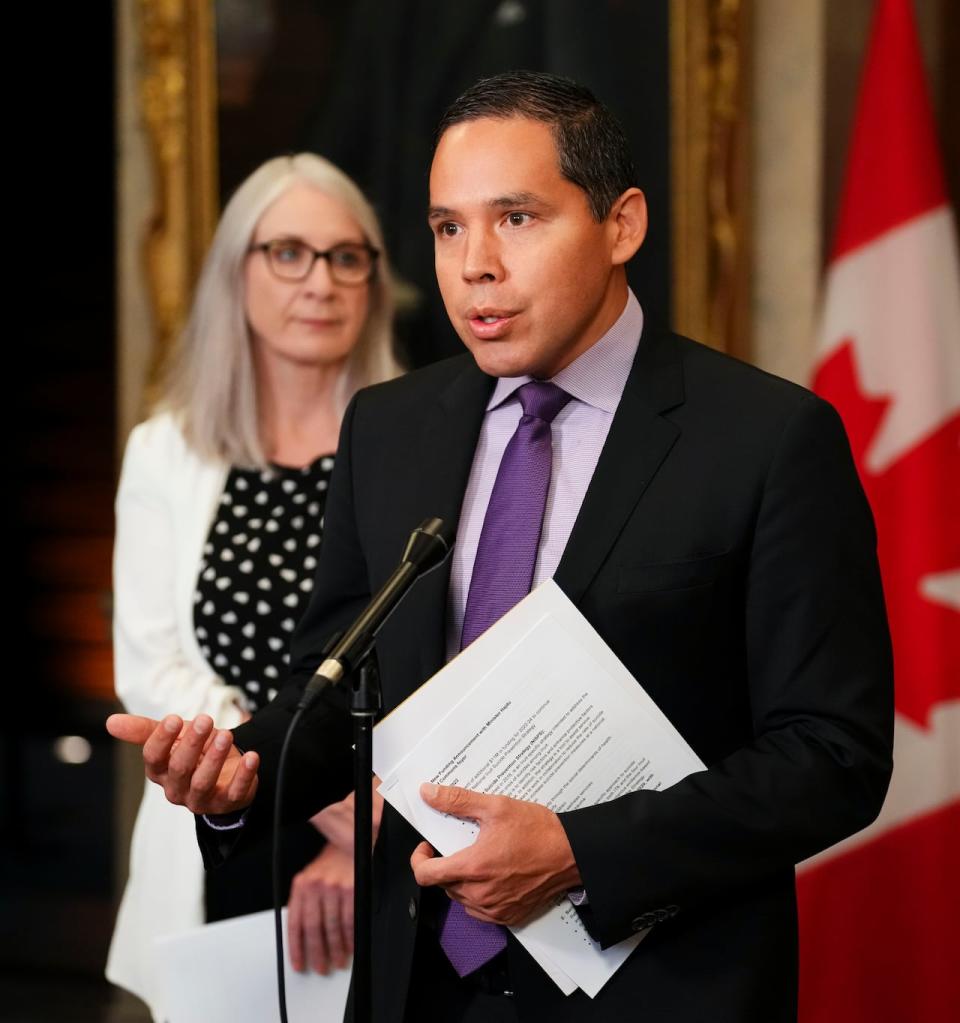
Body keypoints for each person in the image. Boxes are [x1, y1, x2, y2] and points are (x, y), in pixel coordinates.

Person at [108, 72, 893, 1023]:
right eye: (447, 228)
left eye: (516, 218)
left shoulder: (767, 439)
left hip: (658, 987)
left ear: (622, 225)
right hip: (417, 985)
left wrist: (581, 854)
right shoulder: (389, 428)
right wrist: (238, 777)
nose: (475, 263)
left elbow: (832, 754)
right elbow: (343, 688)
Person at [106, 153, 401, 1020]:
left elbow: (444, 650)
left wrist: (363, 833)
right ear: (235, 270)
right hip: (225, 830)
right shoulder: (166, 450)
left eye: (348, 256)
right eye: (289, 252)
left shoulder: (419, 444)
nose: (321, 281)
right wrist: (297, 788)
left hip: (392, 839)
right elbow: (152, 666)